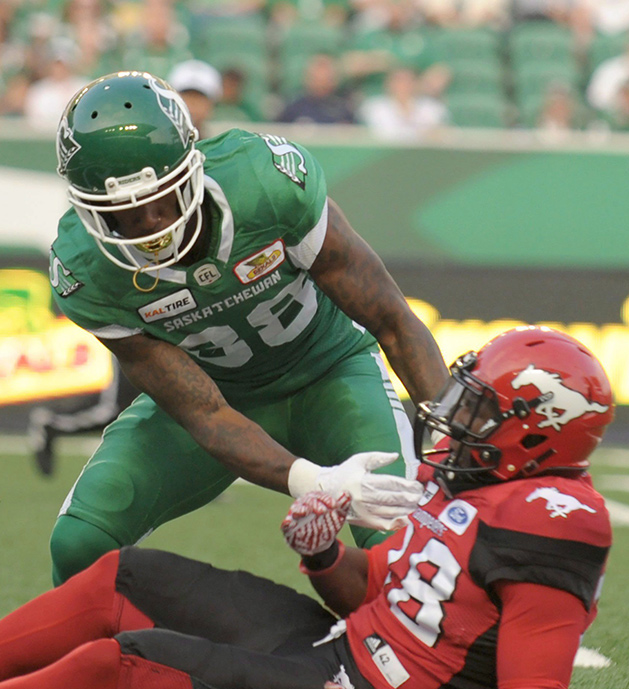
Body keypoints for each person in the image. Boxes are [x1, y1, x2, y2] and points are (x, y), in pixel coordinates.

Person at [0, 325, 616, 689]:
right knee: (129, 575)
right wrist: (323, 558)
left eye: (475, 408)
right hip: (343, 656)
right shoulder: (468, 481)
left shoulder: (553, 520)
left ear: (535, 428)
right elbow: (377, 595)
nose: (450, 417)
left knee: (124, 664)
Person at [44, 71, 448, 583]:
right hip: (219, 395)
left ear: (189, 168)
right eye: (121, 213)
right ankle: (102, 661)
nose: (148, 224)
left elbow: (391, 319)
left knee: (403, 547)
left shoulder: (264, 185)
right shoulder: (87, 270)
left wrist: (448, 440)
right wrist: (313, 481)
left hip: (332, 375)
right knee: (80, 541)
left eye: (159, 199)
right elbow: (204, 414)